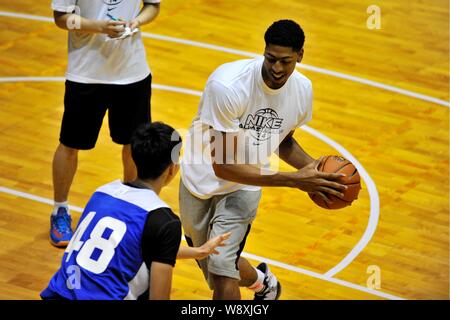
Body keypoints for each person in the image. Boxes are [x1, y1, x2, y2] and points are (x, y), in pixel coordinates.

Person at [179, 19, 348, 300]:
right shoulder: (228, 86)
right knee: (213, 262)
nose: (277, 68)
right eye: (271, 59)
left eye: (286, 61)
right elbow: (224, 165)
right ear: (264, 51)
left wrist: (316, 171)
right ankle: (261, 281)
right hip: (199, 179)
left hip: (245, 187)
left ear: (300, 56)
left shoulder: (302, 90)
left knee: (221, 269)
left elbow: (281, 139)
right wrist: (294, 180)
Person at [41, 122, 231, 300]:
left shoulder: (103, 192)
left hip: (57, 293)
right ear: (172, 170)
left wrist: (198, 252)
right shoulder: (164, 220)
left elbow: (131, 245)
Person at [49, 0, 161, 247]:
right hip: (86, 73)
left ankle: (131, 209)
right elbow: (61, 18)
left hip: (133, 72)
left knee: (133, 144)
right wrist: (99, 27)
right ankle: (60, 211)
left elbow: (153, 6)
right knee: (70, 143)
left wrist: (137, 21)